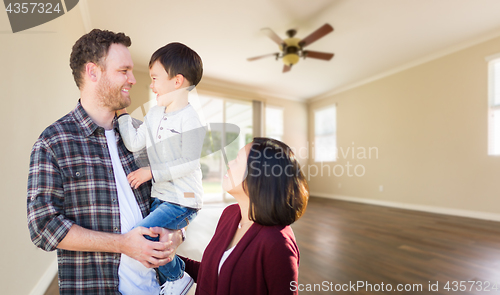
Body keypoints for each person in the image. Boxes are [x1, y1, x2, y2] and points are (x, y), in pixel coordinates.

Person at [27, 29, 183, 295]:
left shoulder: (143, 134)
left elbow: (174, 198)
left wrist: (175, 235)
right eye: (124, 70)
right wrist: (122, 243)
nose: (133, 79)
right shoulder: (53, 142)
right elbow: (43, 227)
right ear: (93, 72)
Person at [116, 42, 205, 294]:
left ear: (177, 81)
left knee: (140, 235)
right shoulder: (154, 114)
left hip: (184, 200)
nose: (152, 85)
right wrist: (122, 116)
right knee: (157, 241)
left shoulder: (191, 120)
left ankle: (178, 277)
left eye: (155, 78)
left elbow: (188, 162)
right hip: (162, 197)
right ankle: (173, 278)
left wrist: (151, 172)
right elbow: (134, 143)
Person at [178, 137, 309, 295]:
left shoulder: (278, 244)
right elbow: (213, 274)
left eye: (238, 159)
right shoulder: (230, 214)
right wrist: (168, 258)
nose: (229, 163)